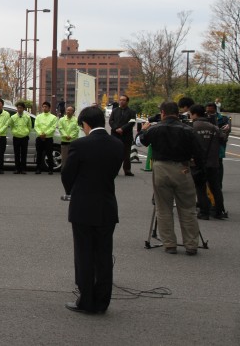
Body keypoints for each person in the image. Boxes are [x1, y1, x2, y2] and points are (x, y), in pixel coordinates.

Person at [61, 106, 124, 314]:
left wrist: (73, 190)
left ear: (85, 124)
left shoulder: (80, 144)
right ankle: (102, 301)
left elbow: (67, 174)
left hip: (83, 206)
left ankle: (86, 300)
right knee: (104, 255)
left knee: (84, 254)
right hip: (107, 204)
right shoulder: (117, 144)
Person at [136, 101, 204, 255]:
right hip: (183, 168)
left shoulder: (155, 129)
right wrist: (198, 172)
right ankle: (191, 244)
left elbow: (139, 143)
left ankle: (169, 244)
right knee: (188, 208)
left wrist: (142, 130)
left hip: (161, 168)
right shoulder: (188, 129)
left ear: (163, 113)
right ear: (177, 113)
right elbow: (199, 153)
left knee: (163, 208)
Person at [189, 104, 228, 220]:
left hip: (198, 162)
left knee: (200, 187)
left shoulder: (192, 127)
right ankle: (219, 211)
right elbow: (223, 138)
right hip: (213, 161)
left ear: (194, 114)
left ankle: (204, 212)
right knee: (215, 187)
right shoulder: (213, 127)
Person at [108, 95, 136, 177]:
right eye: (120, 100)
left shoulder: (132, 112)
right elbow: (111, 121)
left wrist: (122, 129)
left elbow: (132, 122)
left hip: (126, 135)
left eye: (123, 100)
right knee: (115, 153)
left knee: (126, 154)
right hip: (115, 135)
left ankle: (127, 170)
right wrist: (116, 128)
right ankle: (114, 170)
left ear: (127, 101)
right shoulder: (115, 110)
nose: (121, 101)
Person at [206, 102, 230, 190]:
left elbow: (226, 131)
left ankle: (218, 185)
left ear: (215, 110)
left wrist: (223, 131)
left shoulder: (223, 119)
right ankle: (209, 185)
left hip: (219, 145)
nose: (209, 113)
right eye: (208, 111)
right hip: (207, 144)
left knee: (219, 164)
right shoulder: (204, 118)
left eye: (211, 111)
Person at [58, 105, 79, 200]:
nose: (68, 112)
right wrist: (66, 135)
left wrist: (71, 135)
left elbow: (77, 129)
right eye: (67, 110)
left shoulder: (76, 120)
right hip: (64, 140)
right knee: (64, 158)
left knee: (73, 158)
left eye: (70, 110)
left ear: (73, 112)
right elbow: (60, 128)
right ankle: (64, 172)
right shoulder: (62, 120)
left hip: (73, 141)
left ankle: (72, 172)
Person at [34, 101, 58, 175]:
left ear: (49, 108)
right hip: (39, 138)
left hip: (48, 138)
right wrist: (40, 134)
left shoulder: (53, 117)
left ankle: (50, 169)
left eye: (46, 107)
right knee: (39, 154)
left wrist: (45, 134)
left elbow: (53, 127)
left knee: (49, 154)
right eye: (43, 106)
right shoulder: (38, 116)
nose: (44, 108)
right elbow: (36, 126)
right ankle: (38, 169)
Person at [10, 101, 32, 174]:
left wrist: (26, 133)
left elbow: (29, 127)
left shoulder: (27, 117)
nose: (19, 109)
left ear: (23, 109)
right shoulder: (13, 117)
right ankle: (17, 168)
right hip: (16, 137)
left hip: (24, 137)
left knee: (24, 153)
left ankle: (23, 169)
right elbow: (11, 126)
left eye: (21, 108)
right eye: (18, 108)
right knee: (16, 153)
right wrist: (14, 132)